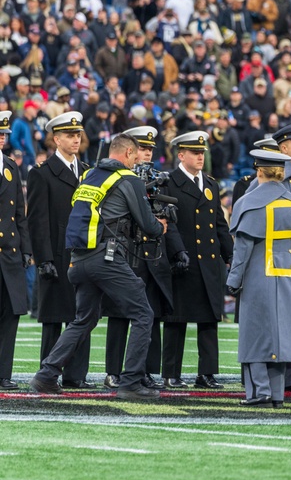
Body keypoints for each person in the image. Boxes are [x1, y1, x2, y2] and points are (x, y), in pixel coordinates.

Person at [29, 133, 167, 399]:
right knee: (143, 313)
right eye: (135, 156)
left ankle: (46, 375)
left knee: (84, 319)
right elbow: (148, 225)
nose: (136, 162)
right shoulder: (128, 179)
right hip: (106, 257)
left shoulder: (89, 176)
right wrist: (160, 226)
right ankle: (131, 382)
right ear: (127, 153)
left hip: (78, 259)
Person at [227, 149, 291, 407]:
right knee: (282, 335)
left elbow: (242, 249)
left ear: (259, 171)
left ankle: (260, 392)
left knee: (255, 334)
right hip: (288, 272)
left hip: (259, 272)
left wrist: (234, 280)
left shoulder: (248, 202)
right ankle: (277, 394)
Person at [27, 111, 94, 388]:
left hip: (85, 254)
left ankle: (76, 374)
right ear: (56, 139)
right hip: (56, 254)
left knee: (84, 314)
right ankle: (49, 373)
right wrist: (43, 259)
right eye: (69, 135)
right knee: (54, 319)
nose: (75, 139)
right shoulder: (41, 174)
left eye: (77, 134)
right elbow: (38, 221)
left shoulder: (89, 171)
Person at [161, 131, 233, 389]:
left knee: (209, 318)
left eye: (202, 152)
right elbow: (168, 223)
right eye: (195, 152)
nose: (200, 157)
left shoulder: (211, 184)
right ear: (181, 155)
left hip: (209, 262)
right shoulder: (169, 182)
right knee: (176, 319)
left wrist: (231, 255)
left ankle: (207, 373)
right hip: (183, 260)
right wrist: (177, 251)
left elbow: (219, 226)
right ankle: (170, 373)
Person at [103, 126, 173, 390]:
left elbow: (166, 218)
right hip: (124, 249)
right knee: (119, 314)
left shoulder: (155, 179)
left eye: (149, 149)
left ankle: (144, 370)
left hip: (150, 255)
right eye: (142, 149)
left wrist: (177, 251)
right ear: (130, 151)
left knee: (149, 313)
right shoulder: (119, 178)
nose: (146, 154)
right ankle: (113, 370)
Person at [0, 111, 32, 389]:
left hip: (9, 252)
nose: (2, 138)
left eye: (4, 135)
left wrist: (26, 248)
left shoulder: (11, 165)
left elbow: (19, 213)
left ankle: (3, 373)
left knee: (10, 312)